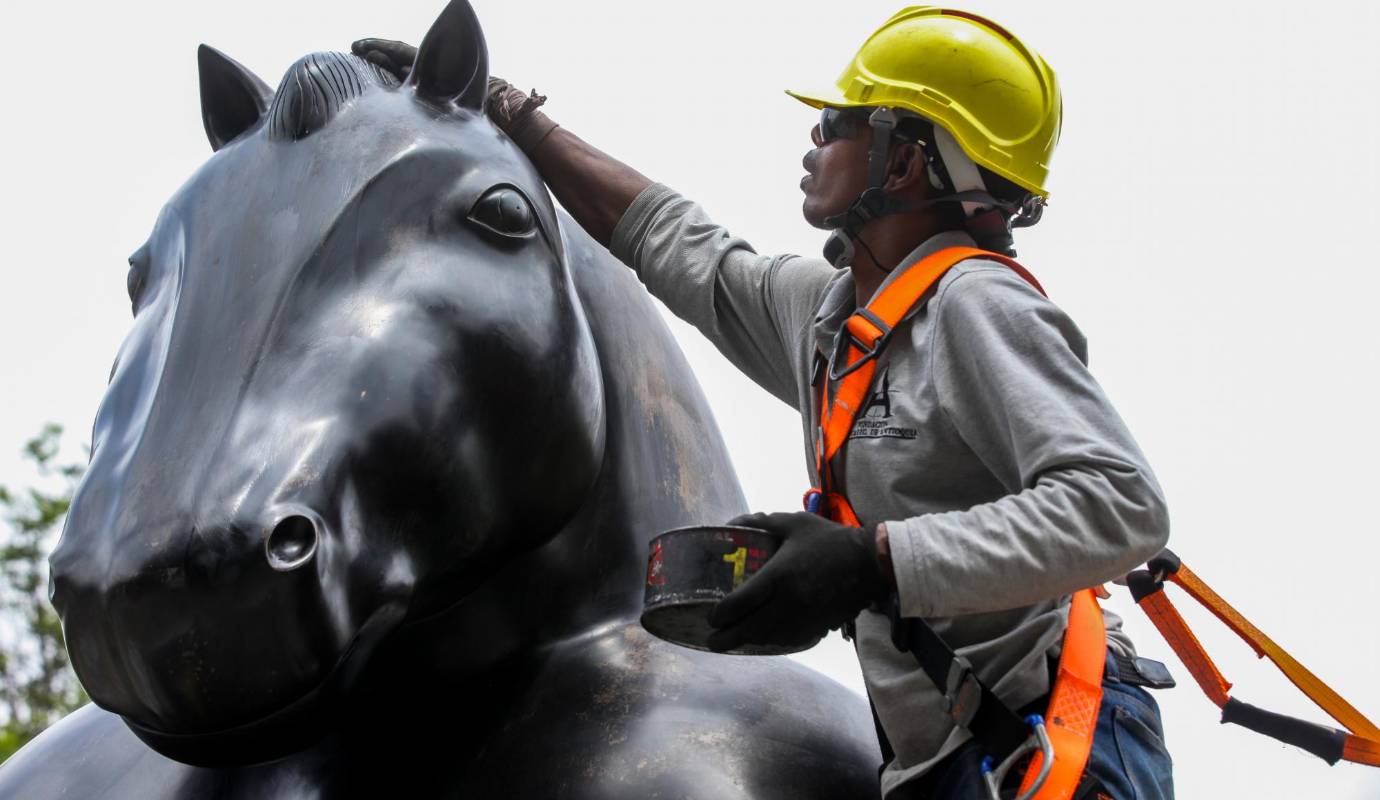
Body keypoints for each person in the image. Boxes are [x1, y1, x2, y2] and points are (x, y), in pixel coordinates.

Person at [356, 6, 1175, 798]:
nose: (815, 142)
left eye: (839, 124)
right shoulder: (831, 319)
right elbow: (675, 242)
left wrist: (870, 561)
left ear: (903, 163)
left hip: (1052, 739)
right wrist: (513, 117)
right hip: (942, 764)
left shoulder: (973, 304)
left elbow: (1120, 504)